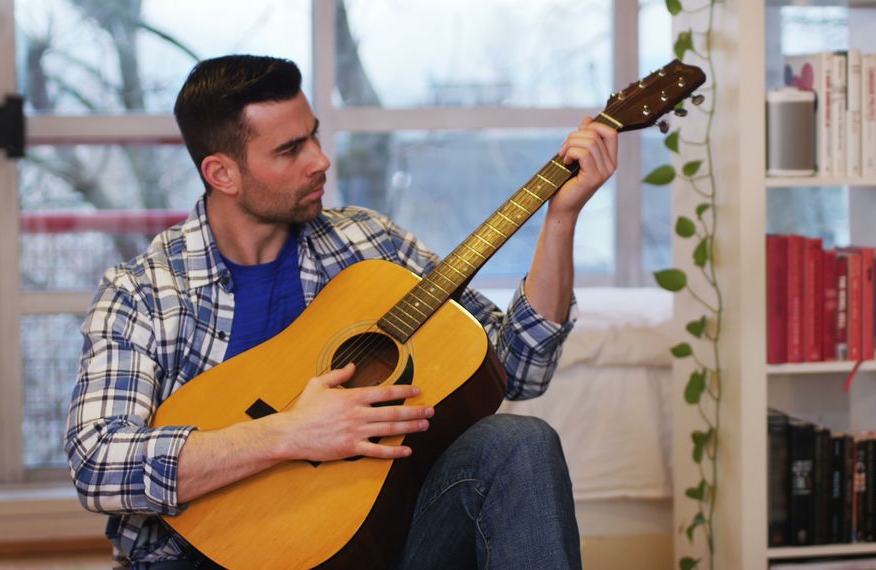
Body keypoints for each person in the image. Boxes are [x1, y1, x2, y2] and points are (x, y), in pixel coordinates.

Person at [64, 54, 617, 569]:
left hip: (375, 542)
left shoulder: (368, 243)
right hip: (201, 557)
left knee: (520, 442)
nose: (320, 160)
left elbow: (518, 369)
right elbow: (97, 464)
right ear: (222, 174)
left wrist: (561, 220)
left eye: (314, 137)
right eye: (289, 150)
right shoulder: (144, 291)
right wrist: (288, 434)